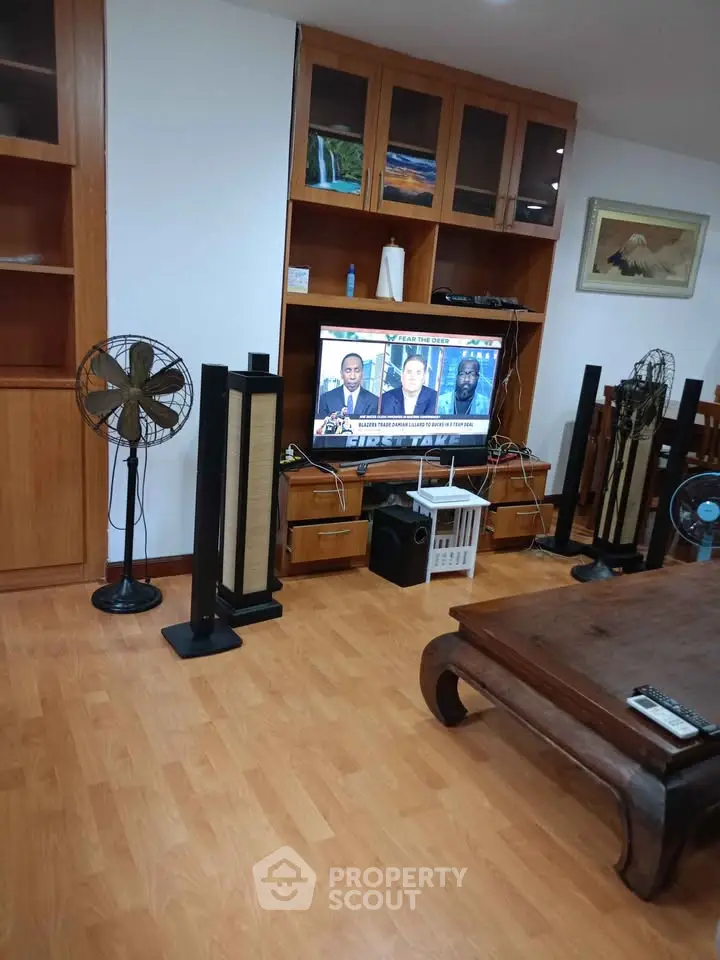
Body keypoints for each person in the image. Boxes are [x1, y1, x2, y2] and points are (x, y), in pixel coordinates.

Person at [317, 353, 379, 418]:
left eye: (357, 371)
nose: (352, 376)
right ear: (341, 374)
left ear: (362, 374)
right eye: (348, 371)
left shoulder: (374, 401)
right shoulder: (326, 399)